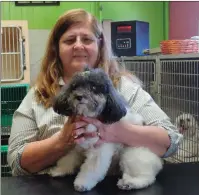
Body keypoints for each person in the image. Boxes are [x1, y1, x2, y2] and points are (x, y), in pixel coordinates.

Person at [7, 8, 183, 176]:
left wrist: (118, 131)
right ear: (56, 49)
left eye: (86, 39)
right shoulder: (38, 95)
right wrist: (61, 141)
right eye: (69, 40)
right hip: (50, 193)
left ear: (99, 45)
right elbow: (16, 162)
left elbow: (171, 141)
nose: (78, 46)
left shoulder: (123, 87)